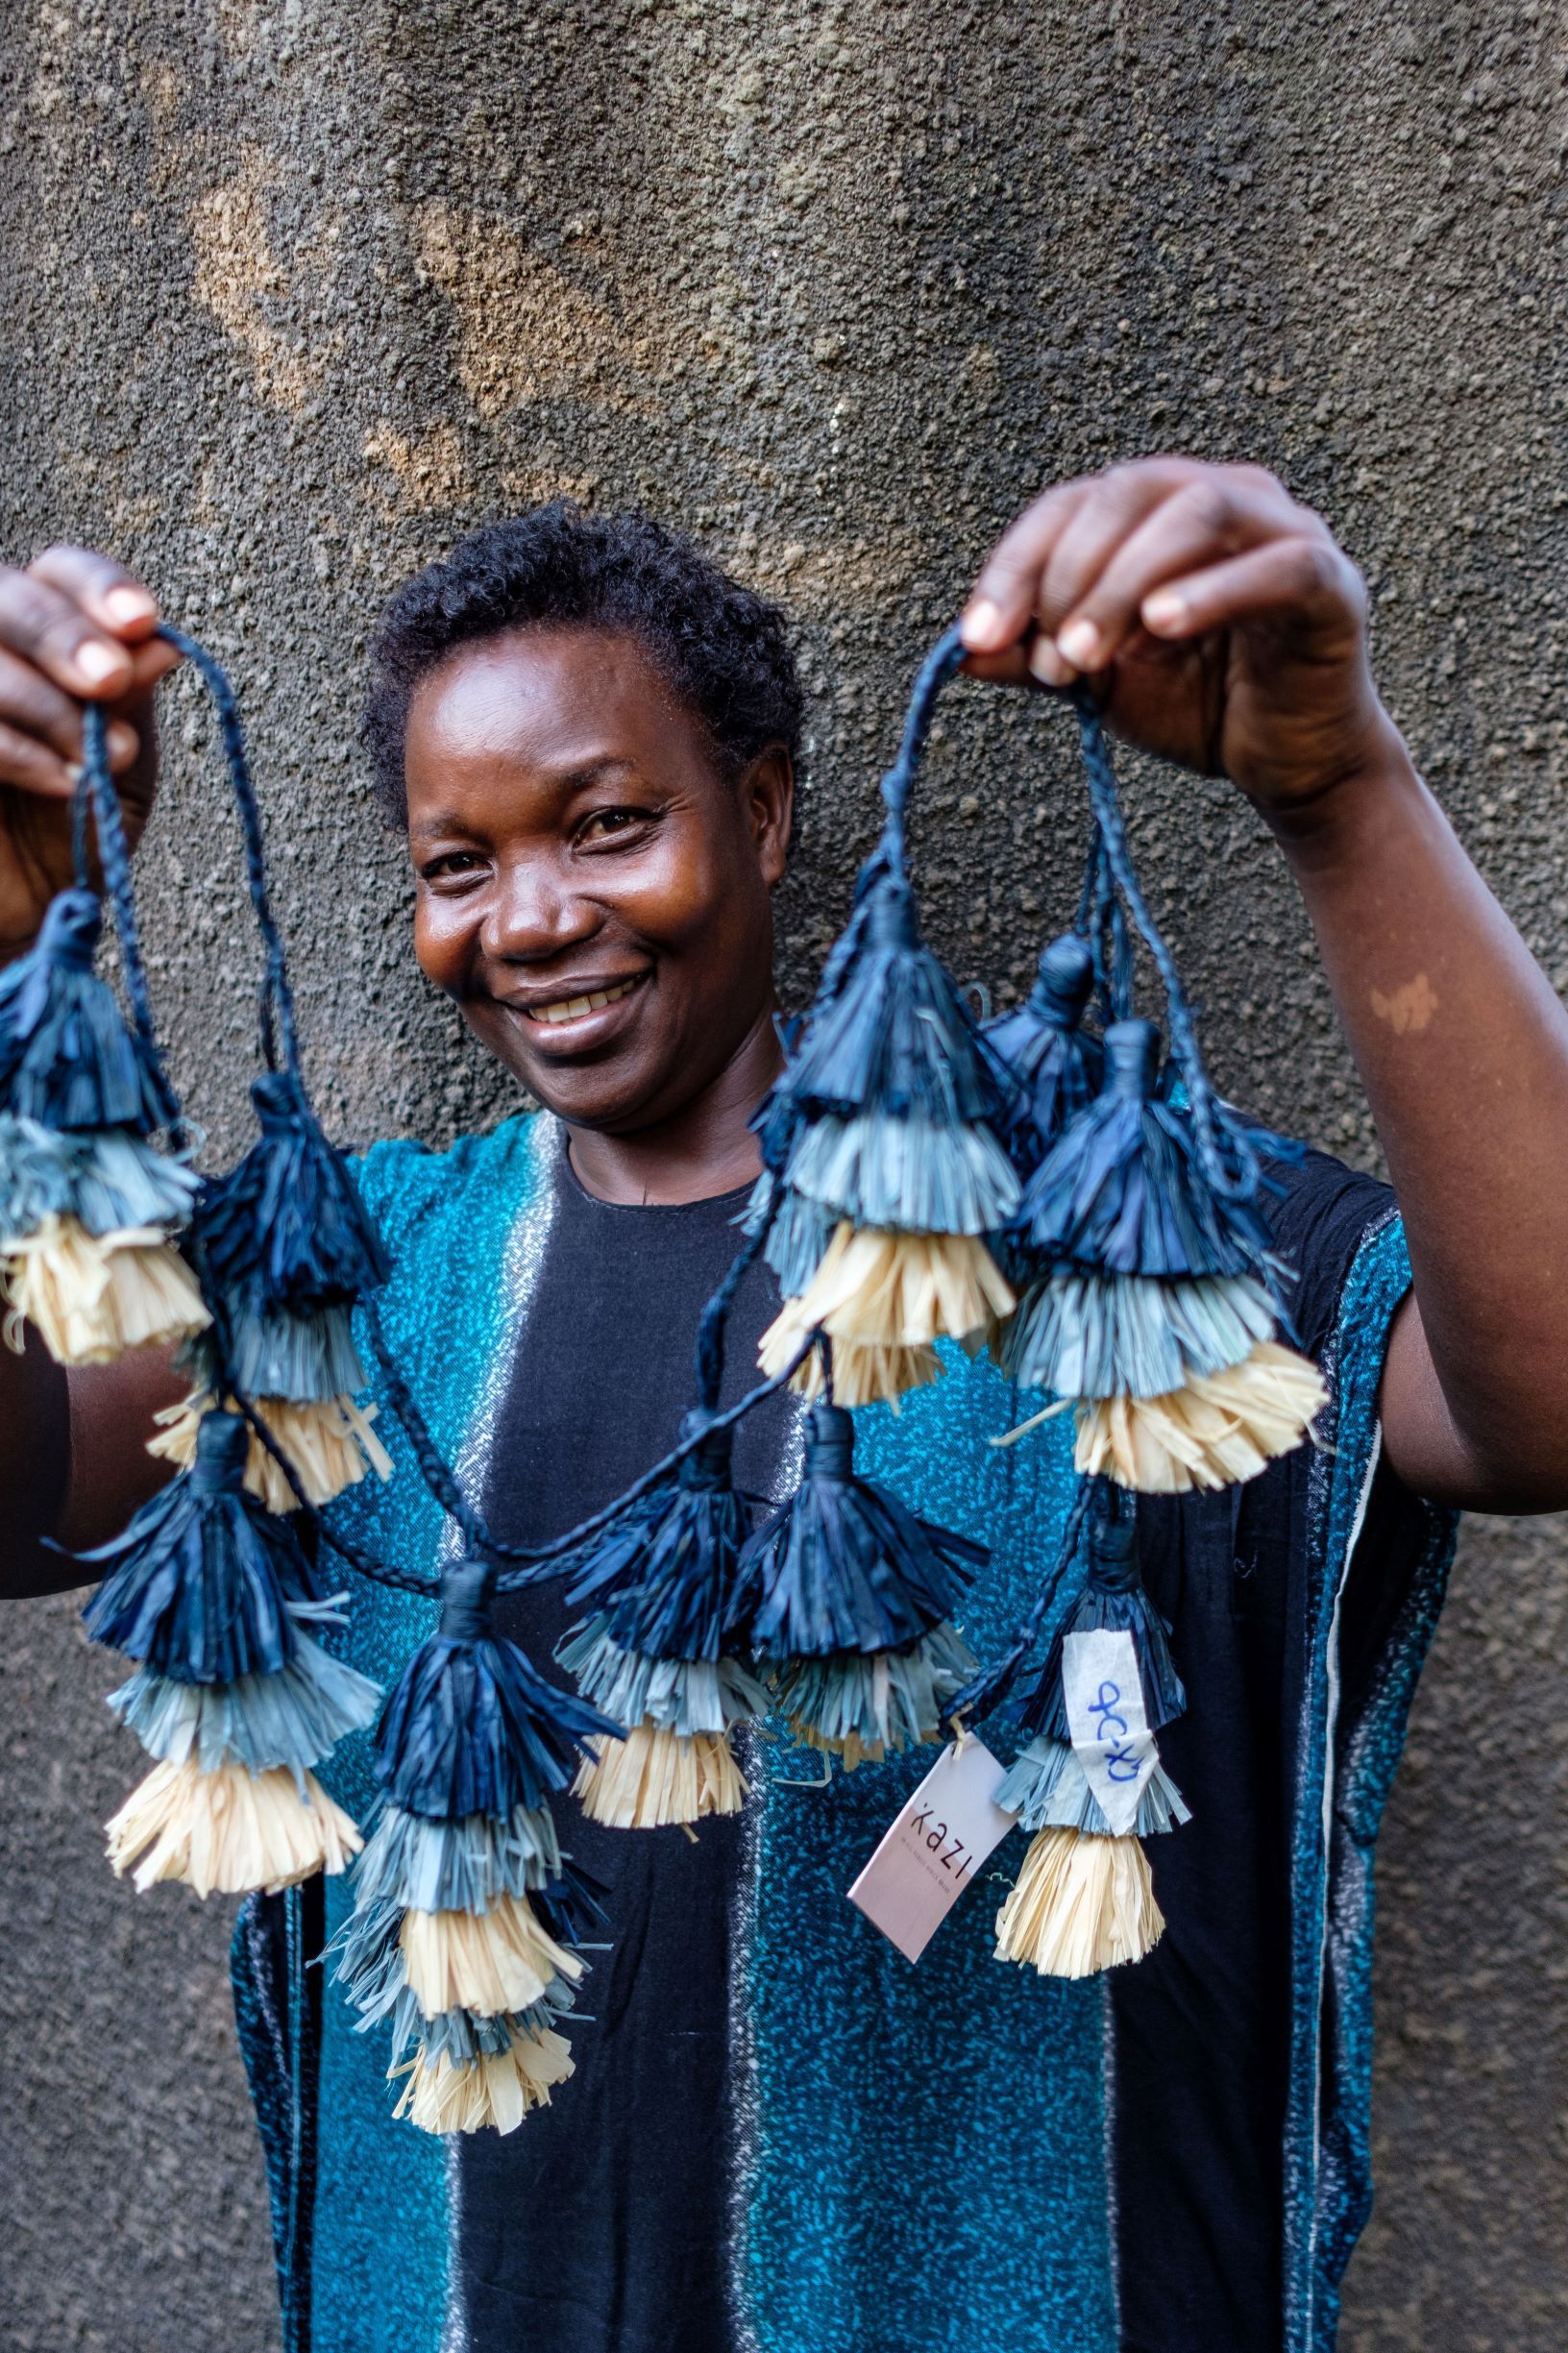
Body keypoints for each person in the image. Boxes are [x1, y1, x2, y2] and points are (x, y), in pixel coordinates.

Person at [3, 459, 1567, 2353]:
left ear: (761, 809)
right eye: (456, 862)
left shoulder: (1083, 1221)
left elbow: (1537, 1395)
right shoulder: (356, 1283)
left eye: (607, 822)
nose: (534, 916)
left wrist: (1341, 792)